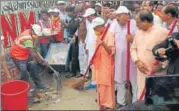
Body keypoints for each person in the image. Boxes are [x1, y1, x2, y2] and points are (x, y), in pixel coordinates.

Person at [130, 10, 168, 100]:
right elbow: (133, 49)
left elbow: (168, 53)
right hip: (141, 72)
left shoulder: (163, 32)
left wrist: (161, 66)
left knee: (156, 99)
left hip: (156, 74)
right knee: (142, 97)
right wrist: (137, 61)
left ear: (146, 21)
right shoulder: (138, 32)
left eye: (138, 22)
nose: (136, 25)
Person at [112, 6, 137, 108]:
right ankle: (121, 102)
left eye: (120, 17)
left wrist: (132, 39)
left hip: (132, 59)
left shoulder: (133, 24)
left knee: (135, 82)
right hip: (119, 59)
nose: (118, 19)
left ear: (127, 16)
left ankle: (135, 104)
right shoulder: (113, 24)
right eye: (117, 17)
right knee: (120, 80)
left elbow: (140, 40)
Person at [10, 24, 47, 90]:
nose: (37, 36)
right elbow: (33, 53)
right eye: (36, 34)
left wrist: (41, 59)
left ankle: (39, 85)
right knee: (24, 73)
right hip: (17, 55)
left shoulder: (30, 33)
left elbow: (33, 50)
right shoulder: (27, 38)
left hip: (25, 53)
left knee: (33, 67)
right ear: (32, 30)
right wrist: (41, 61)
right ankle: (23, 89)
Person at [91, 17, 115, 110]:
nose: (94, 30)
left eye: (95, 28)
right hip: (99, 63)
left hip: (107, 64)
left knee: (106, 84)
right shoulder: (99, 35)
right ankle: (101, 101)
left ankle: (108, 104)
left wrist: (104, 44)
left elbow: (111, 51)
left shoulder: (109, 35)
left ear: (101, 27)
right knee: (100, 84)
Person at [83, 8, 97, 89]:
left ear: (92, 15)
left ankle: (94, 82)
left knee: (94, 65)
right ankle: (93, 80)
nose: (87, 18)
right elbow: (88, 36)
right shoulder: (90, 24)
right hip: (90, 47)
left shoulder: (97, 23)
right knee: (91, 65)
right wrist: (86, 44)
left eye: (88, 17)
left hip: (95, 48)